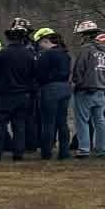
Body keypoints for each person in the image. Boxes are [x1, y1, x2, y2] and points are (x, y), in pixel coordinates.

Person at [0, 18, 37, 162]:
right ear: (23, 38)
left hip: (4, 94)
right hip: (23, 95)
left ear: (9, 38)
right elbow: (34, 75)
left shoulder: (2, 54)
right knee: (19, 125)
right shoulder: (29, 55)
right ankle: (18, 153)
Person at [70, 19, 105, 157]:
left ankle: (84, 149)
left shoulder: (85, 49)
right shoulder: (103, 50)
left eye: (81, 35)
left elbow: (79, 69)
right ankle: (104, 149)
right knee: (100, 121)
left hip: (86, 90)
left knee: (82, 121)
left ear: (86, 35)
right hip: (101, 89)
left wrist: (76, 83)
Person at [33, 28, 73, 160]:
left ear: (46, 41)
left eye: (40, 43)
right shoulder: (65, 54)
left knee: (48, 123)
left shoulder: (46, 55)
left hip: (50, 89)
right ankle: (64, 152)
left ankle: (46, 152)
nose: (39, 46)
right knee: (62, 122)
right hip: (65, 88)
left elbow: (39, 74)